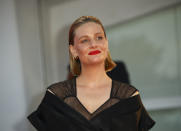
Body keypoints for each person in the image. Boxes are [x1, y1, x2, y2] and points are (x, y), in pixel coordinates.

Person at [27, 16, 155, 131]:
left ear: (106, 43)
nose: (94, 44)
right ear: (73, 50)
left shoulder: (129, 95)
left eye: (99, 37)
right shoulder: (56, 96)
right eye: (85, 40)